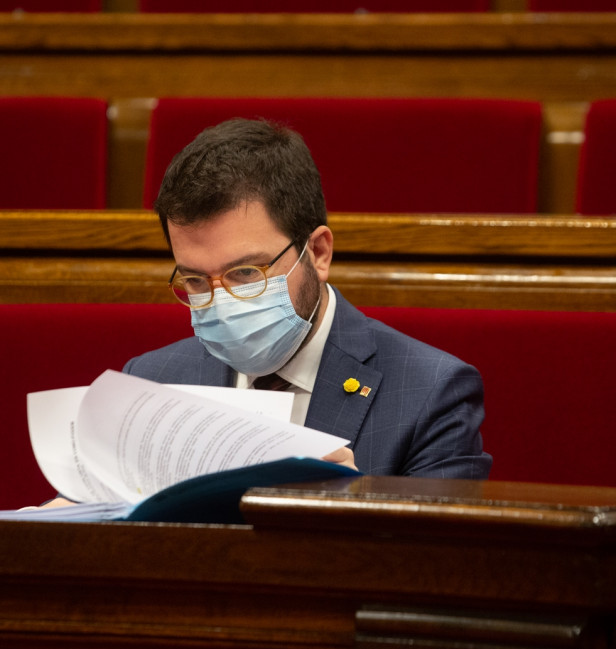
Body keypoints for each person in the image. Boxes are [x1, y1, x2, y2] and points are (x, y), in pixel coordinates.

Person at [123, 117, 491, 479]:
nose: (222, 300)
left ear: (317, 253)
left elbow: (440, 541)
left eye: (247, 273)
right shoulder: (149, 383)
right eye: (195, 279)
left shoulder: (432, 393)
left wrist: (352, 509)